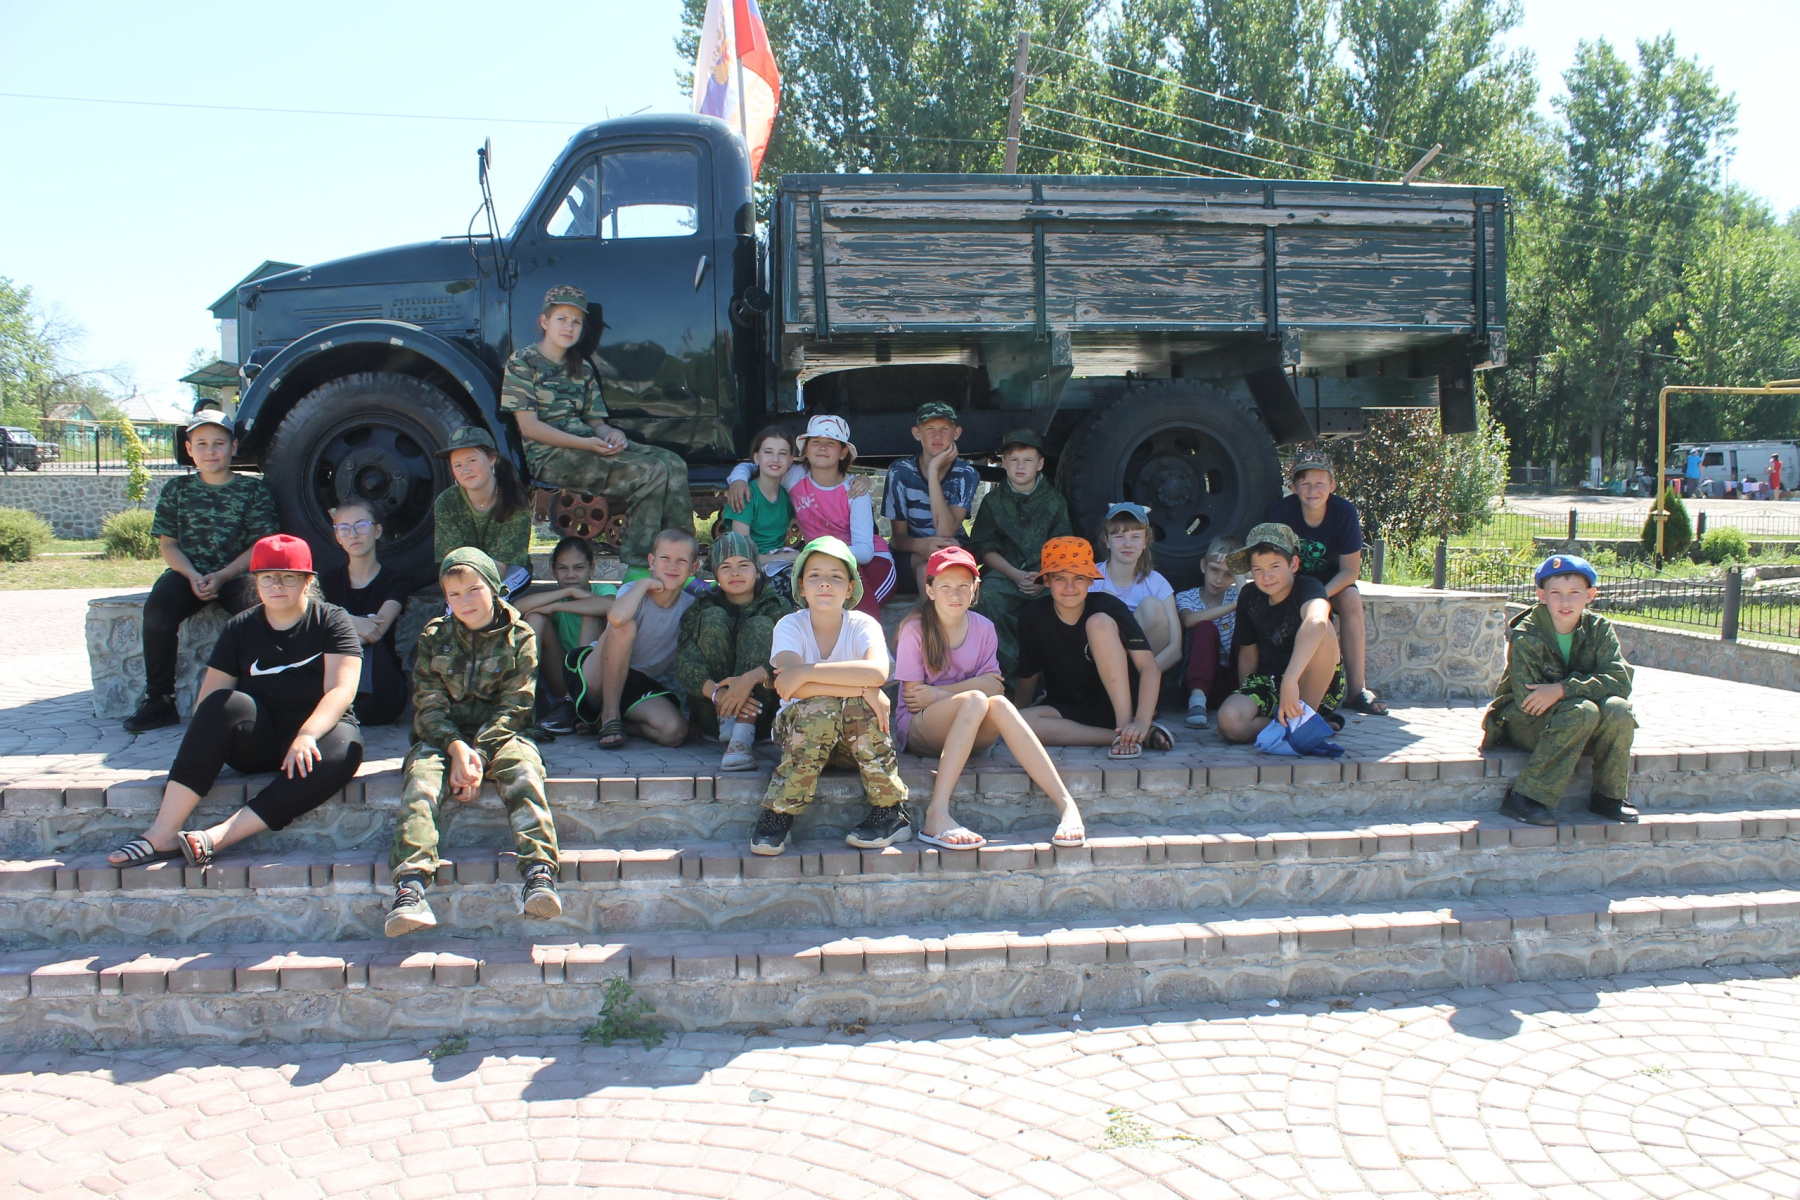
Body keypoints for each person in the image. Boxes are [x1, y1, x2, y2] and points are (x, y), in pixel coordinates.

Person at [107, 535, 364, 867]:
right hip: (260, 741)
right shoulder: (239, 627)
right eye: (267, 577)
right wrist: (208, 744)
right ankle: (163, 832)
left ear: (307, 581)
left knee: (346, 749)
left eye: (288, 577)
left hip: (315, 738)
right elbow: (209, 701)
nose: (276, 585)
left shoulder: (331, 620)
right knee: (222, 703)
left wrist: (306, 735)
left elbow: (341, 690)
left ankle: (218, 836)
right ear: (255, 582)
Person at [384, 547, 561, 935]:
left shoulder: (520, 636)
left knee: (525, 773)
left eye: (474, 590)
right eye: (454, 594)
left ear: (494, 587)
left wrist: (476, 755)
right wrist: (455, 747)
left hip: (502, 736)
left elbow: (516, 708)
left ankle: (539, 875)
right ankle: (410, 889)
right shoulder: (434, 637)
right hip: (442, 738)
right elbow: (428, 706)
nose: (465, 602)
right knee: (421, 784)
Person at [896, 546, 1085, 850]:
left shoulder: (983, 627)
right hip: (921, 729)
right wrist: (972, 690)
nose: (955, 594)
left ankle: (1067, 806)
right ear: (929, 590)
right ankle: (936, 814)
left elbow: (994, 688)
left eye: (963, 586)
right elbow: (914, 698)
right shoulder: (914, 629)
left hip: (971, 728)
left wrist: (940, 693)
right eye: (945, 586)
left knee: (998, 704)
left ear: (975, 589)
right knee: (976, 699)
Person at [499, 284, 693, 568]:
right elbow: (529, 427)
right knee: (650, 471)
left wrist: (612, 434)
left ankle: (682, 559)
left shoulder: (581, 367)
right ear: (544, 321)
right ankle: (640, 564)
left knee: (673, 463)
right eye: (562, 319)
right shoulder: (522, 362)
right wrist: (587, 444)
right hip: (550, 456)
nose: (569, 327)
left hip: (588, 446)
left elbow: (596, 423)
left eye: (576, 322)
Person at [750, 536, 909, 856]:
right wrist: (865, 689)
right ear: (801, 586)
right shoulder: (789, 626)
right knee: (825, 706)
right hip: (802, 739)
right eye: (814, 575)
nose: (824, 583)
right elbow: (790, 687)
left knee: (855, 706)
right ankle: (780, 811)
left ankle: (891, 812)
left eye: (835, 576)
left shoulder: (863, 625)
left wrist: (808, 672)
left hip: (854, 746)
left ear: (850, 588)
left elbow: (877, 672)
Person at [123, 411, 282, 733]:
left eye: (219, 443)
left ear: (233, 447)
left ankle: (263, 697)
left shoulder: (253, 491)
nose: (211, 451)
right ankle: (159, 700)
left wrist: (222, 575)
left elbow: (261, 545)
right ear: (189, 449)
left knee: (261, 615)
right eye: (202, 444)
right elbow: (169, 545)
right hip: (188, 574)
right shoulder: (176, 489)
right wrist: (192, 575)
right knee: (157, 613)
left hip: (237, 575)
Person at [1483, 554, 1636, 826]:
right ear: (1542, 596)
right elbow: (1528, 700)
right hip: (1525, 722)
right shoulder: (1528, 633)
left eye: (1574, 593)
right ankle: (1524, 797)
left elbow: (1620, 680)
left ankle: (1608, 797)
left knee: (1619, 709)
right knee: (1583, 711)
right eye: (1556, 593)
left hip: (1575, 721)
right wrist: (1578, 694)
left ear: (1590, 595)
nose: (1566, 602)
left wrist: (1562, 689)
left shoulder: (1599, 629)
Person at [1013, 537, 1170, 758]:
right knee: (1019, 723)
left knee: (1099, 623)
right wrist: (1015, 714)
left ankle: (1127, 726)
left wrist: (1142, 721)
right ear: (1046, 580)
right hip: (1071, 709)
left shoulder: (1109, 605)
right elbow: (1028, 675)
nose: (1070, 587)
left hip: (1122, 705)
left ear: (1090, 580)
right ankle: (1124, 737)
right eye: (1060, 578)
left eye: (1078, 578)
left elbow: (1149, 667)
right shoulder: (1033, 616)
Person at [1266, 449, 1385, 715]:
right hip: (1294, 581)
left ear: (1332, 485)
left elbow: (1350, 571)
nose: (1312, 490)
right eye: (1305, 483)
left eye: (1320, 483)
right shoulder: (1280, 512)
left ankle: (1357, 690)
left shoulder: (1344, 512)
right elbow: (1275, 562)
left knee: (1351, 599)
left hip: (1332, 582)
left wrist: (1320, 596)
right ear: (1293, 487)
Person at [747, 414, 894, 618]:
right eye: (815, 441)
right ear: (805, 450)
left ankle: (870, 639)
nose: (822, 447)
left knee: (852, 602)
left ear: (843, 453)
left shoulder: (855, 489)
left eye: (831, 443)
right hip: (822, 561)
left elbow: (864, 551)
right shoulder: (795, 476)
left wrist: (822, 552)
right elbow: (755, 466)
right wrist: (738, 480)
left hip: (870, 562)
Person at [1215, 523, 1346, 745]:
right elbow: (1248, 655)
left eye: (1274, 566)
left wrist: (1290, 680)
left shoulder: (1309, 587)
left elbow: (1317, 621)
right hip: (1270, 682)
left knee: (1323, 629)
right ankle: (1293, 724)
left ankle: (1306, 716)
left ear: (1293, 564)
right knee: (1229, 721)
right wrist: (1246, 695)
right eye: (1258, 569)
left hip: (1311, 683)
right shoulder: (1249, 595)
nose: (1266, 576)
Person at [675, 531, 794, 772]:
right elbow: (685, 661)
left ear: (757, 570)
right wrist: (719, 695)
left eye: (743, 565)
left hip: (763, 714)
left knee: (760, 625)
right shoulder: (702, 607)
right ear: (716, 574)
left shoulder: (777, 606)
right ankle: (729, 720)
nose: (735, 573)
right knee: (714, 617)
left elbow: (790, 661)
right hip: (714, 709)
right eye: (726, 567)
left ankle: (742, 736)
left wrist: (748, 680)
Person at [572, 529, 697, 749]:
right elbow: (616, 618)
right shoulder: (633, 592)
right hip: (598, 674)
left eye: (681, 561)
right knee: (625, 626)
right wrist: (642, 584)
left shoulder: (690, 607)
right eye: (665, 558)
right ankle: (609, 716)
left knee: (675, 732)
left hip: (637, 684)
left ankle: (613, 724)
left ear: (693, 568)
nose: (672, 566)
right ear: (652, 562)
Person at [968, 428, 1073, 679]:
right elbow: (984, 547)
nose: (1020, 466)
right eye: (1014, 460)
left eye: (1027, 460)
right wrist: (1014, 574)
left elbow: (1063, 548)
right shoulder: (993, 502)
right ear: (1004, 463)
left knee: (1064, 599)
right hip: (1005, 575)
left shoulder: (1055, 501)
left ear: (1040, 464)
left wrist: (1044, 578)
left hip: (1046, 577)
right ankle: (1010, 677)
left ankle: (1049, 679)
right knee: (986, 597)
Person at [318, 501, 412, 726]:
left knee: (369, 646)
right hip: (334, 676)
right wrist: (354, 621)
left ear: (377, 530)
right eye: (344, 529)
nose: (353, 534)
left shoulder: (395, 581)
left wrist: (335, 625)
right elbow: (315, 623)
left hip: (380, 688)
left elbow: (376, 630)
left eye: (361, 525)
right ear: (338, 537)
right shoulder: (326, 581)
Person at [512, 536, 617, 735]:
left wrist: (556, 607)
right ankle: (524, 699)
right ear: (553, 571)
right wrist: (566, 593)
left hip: (594, 682)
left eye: (578, 568)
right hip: (562, 679)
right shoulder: (558, 595)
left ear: (591, 568)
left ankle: (574, 702)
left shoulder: (603, 590)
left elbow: (612, 606)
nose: (570, 575)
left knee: (591, 612)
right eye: (562, 568)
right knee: (535, 617)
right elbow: (517, 608)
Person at [884, 401, 982, 595]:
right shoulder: (900, 472)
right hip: (912, 553)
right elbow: (897, 539)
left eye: (945, 429)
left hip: (952, 551)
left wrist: (933, 471)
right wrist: (921, 546)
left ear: (956, 433)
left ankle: (932, 612)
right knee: (925, 568)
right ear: (917, 433)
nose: (937, 436)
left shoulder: (966, 474)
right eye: (929, 429)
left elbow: (945, 530)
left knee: (936, 565)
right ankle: (930, 613)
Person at [432, 426, 533, 595]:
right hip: (463, 577)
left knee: (500, 599)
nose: (465, 470)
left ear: (492, 459)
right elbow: (452, 561)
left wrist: (478, 593)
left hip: (508, 571)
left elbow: (503, 562)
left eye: (472, 461)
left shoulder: (514, 499)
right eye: (457, 465)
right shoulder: (446, 502)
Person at [1090, 502, 1182, 676]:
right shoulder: (1090, 579)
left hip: (1142, 674)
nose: (1128, 544)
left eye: (1135, 537)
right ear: (1107, 540)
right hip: (1100, 670)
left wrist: (1147, 677)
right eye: (1119, 536)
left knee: (1153, 606)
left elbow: (1175, 648)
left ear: (1145, 541)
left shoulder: (1157, 583)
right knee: (1106, 599)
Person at [1175, 535, 1243, 729]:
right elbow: (1188, 620)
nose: (1219, 580)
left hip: (1234, 681)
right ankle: (1197, 704)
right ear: (1203, 566)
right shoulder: (1187, 597)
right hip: (1200, 683)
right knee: (1205, 627)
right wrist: (1235, 606)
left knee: (1246, 629)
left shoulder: (1237, 595)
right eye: (1214, 570)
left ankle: (1248, 697)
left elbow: (1252, 606)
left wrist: (1239, 573)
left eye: (1228, 574)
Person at [720, 425, 801, 573]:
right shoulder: (745, 494)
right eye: (768, 452)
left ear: (790, 460)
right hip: (748, 571)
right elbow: (743, 556)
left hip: (779, 565)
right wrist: (791, 557)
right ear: (757, 457)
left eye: (782, 453)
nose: (775, 459)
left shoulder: (788, 496)